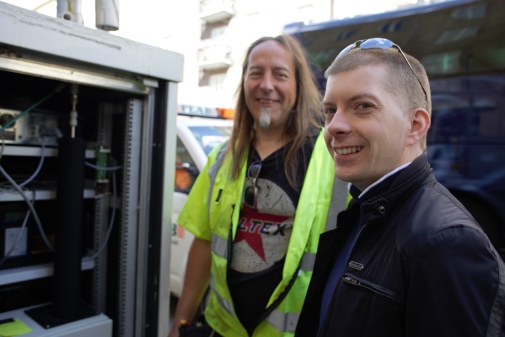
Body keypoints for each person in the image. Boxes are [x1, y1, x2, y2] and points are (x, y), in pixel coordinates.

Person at [294, 37, 505, 337]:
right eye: (330, 110)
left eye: (362, 106)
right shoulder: (363, 210)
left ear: (416, 125)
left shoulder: (447, 244)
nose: (334, 127)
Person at [168, 34, 346, 337]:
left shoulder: (333, 160)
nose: (266, 84)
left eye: (280, 74)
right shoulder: (221, 159)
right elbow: (203, 243)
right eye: (255, 73)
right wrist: (180, 323)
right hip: (223, 329)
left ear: (298, 86)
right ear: (244, 84)